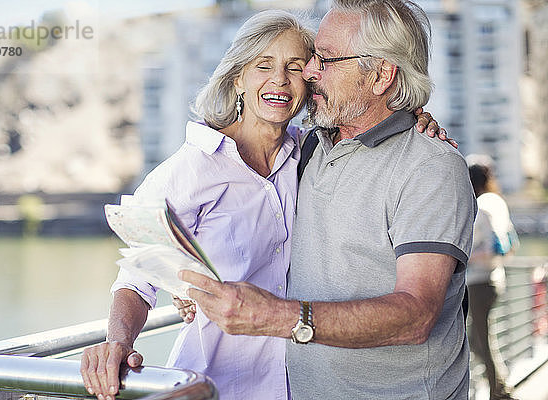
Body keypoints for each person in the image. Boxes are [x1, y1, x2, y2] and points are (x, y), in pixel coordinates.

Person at [80, 8, 447, 400]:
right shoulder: (191, 168)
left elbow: (377, 129)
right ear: (238, 77)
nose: (279, 81)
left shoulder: (310, 154)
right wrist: (119, 341)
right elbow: (137, 278)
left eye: (294, 67)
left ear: (310, 81)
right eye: (264, 66)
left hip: (299, 388)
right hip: (213, 385)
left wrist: (415, 119)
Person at [180, 1, 477, 399]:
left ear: (381, 76)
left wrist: (277, 317)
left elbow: (416, 316)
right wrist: (188, 286)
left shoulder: (431, 166)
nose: (309, 71)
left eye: (327, 59)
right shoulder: (307, 150)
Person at [467, 154, 518, 400]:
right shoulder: (498, 202)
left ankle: (500, 392)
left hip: (478, 282)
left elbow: (488, 247)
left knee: (480, 340)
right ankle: (499, 387)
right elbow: (510, 244)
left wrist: (463, 256)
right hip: (495, 279)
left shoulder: (481, 206)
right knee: (478, 338)